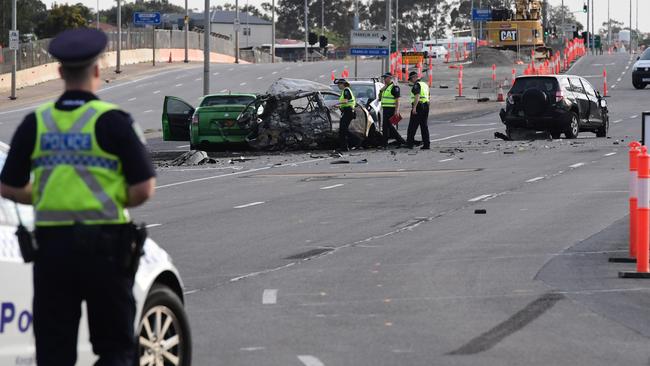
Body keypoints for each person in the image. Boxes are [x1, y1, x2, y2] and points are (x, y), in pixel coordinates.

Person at [0, 28, 156, 366]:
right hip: (106, 249)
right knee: (115, 348)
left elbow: (9, 185)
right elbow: (144, 187)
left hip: (52, 252)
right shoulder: (114, 122)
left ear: (59, 73)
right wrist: (113, 198)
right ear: (98, 71)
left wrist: (44, 196)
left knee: (54, 352)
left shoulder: (36, 122)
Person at [378, 72, 407, 148]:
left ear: (390, 78)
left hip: (391, 109)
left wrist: (396, 110)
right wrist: (381, 91)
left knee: (386, 126)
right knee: (388, 126)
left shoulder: (394, 87)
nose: (384, 79)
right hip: (385, 109)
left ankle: (386, 144)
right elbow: (380, 98)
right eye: (384, 78)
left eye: (385, 78)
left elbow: (397, 100)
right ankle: (399, 141)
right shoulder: (386, 87)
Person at [406, 71, 431, 150]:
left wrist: (414, 108)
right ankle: (426, 144)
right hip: (426, 105)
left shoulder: (416, 85)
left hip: (419, 106)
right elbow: (428, 96)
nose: (410, 81)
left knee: (412, 126)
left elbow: (417, 95)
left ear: (414, 78)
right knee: (424, 126)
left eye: (411, 79)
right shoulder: (425, 84)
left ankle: (410, 143)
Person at [336, 78, 357, 150]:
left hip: (348, 111)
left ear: (342, 84)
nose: (338, 86)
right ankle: (345, 146)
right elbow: (346, 102)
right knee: (343, 129)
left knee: (343, 129)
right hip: (347, 111)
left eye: (339, 84)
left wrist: (336, 104)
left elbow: (345, 101)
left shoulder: (346, 90)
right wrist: (338, 106)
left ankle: (354, 142)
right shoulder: (344, 91)